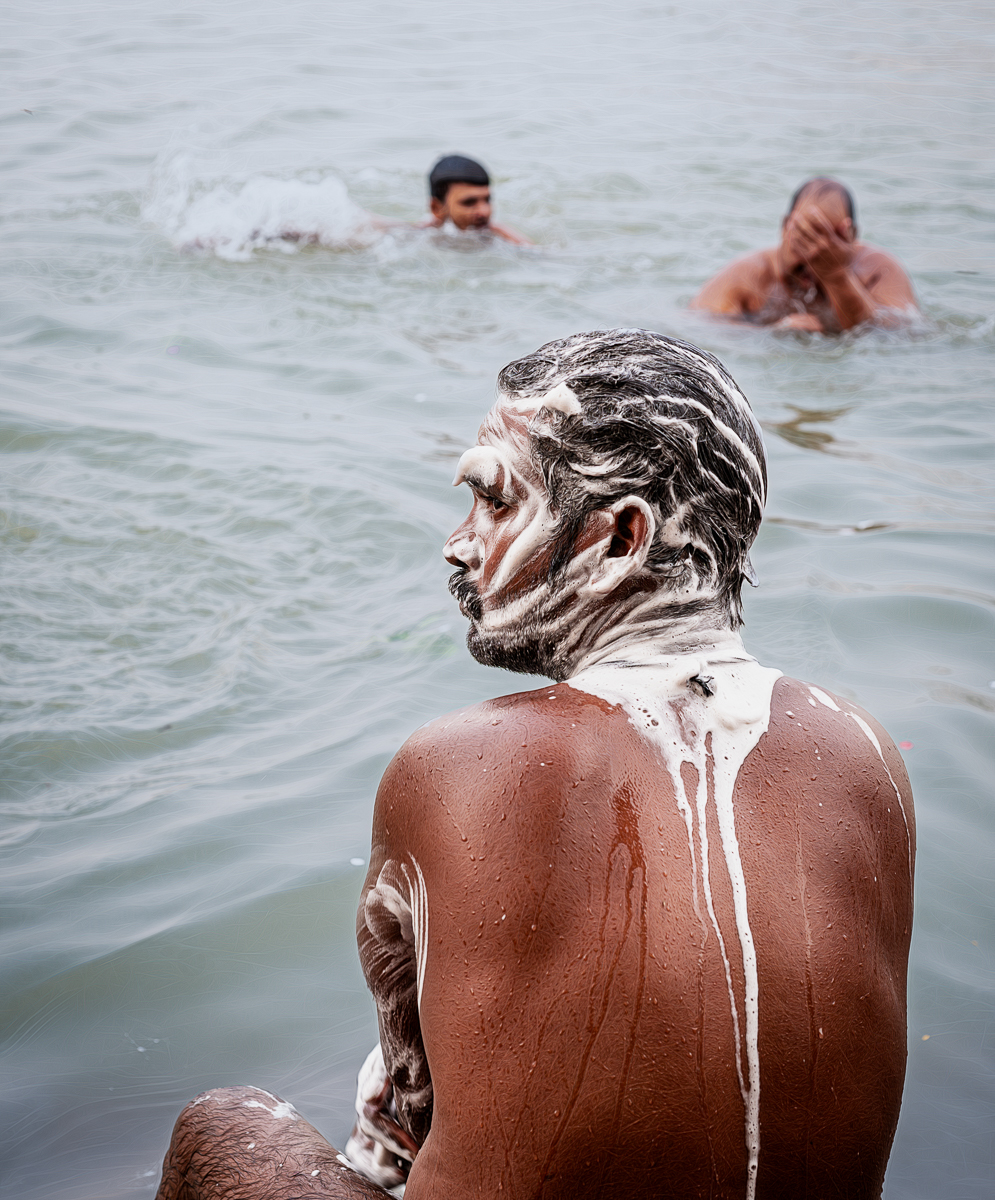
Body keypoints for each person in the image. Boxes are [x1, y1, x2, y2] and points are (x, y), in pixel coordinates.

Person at [153, 329, 914, 1200]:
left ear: (622, 538)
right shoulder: (863, 755)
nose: (455, 543)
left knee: (223, 1126)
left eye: (493, 502)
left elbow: (404, 1114)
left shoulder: (458, 761)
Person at [691, 177, 917, 332]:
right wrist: (775, 334)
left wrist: (837, 274)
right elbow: (697, 329)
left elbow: (898, 337)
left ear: (851, 237)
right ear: (784, 227)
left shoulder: (878, 271)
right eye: (804, 236)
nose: (816, 252)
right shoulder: (750, 275)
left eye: (827, 238)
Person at [418, 154, 531, 245]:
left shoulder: (502, 237)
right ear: (437, 208)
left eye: (487, 200)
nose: (484, 212)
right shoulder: (416, 237)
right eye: (469, 202)